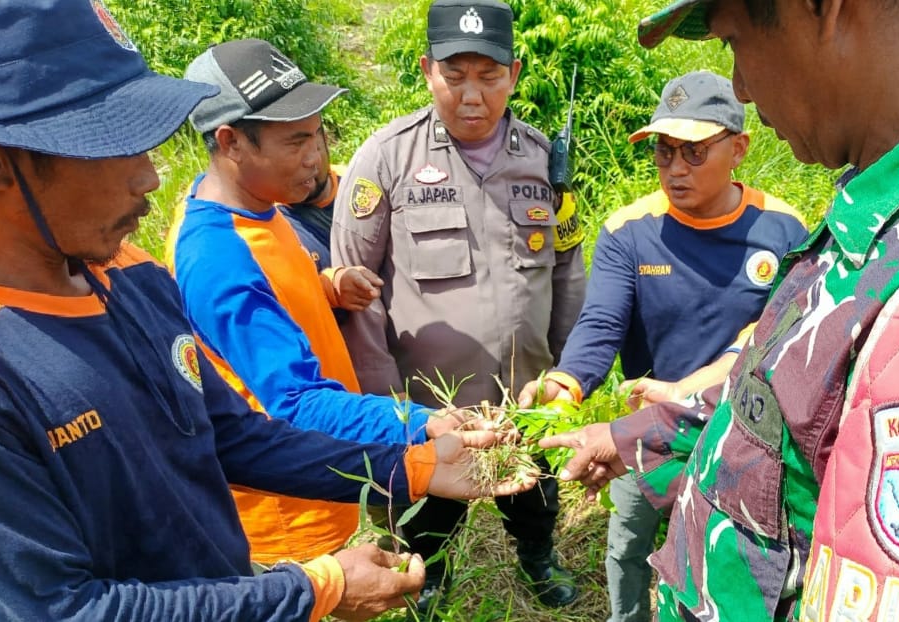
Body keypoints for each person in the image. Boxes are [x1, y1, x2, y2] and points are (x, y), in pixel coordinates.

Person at [0, 2, 536, 620]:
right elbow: (56, 610)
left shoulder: (127, 273)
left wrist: (412, 463)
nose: (149, 178)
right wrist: (313, 591)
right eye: (113, 143)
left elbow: (225, 433)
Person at [540, 1, 899, 621]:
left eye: (733, 39)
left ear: (822, 9)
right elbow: (788, 389)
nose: (739, 84)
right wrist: (627, 434)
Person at [168, 38, 472, 565]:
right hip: (285, 522)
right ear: (231, 141)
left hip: (322, 484)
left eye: (318, 134)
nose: (317, 156)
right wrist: (423, 423)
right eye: (296, 142)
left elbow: (275, 295)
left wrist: (328, 286)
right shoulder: (218, 258)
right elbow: (295, 401)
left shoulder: (259, 208)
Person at [517, 70, 807, 622]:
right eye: (663, 151)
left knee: (724, 553)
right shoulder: (631, 231)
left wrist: (688, 390)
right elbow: (601, 322)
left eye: (694, 152)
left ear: (739, 149)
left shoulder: (783, 230)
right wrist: (565, 382)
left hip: (738, 432)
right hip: (647, 429)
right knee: (628, 545)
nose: (676, 168)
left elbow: (774, 338)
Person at [332, 0, 587, 611]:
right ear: (427, 70)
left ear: (515, 74)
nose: (471, 95)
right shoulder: (385, 158)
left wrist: (567, 370)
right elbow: (354, 288)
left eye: (489, 75)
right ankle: (431, 576)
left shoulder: (544, 159)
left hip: (523, 395)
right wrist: (384, 401)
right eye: (455, 74)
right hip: (429, 407)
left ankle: (536, 556)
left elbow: (568, 268)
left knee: (534, 494)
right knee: (428, 510)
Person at [280, 127, 344, 272]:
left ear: (326, 142)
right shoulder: (270, 217)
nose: (307, 163)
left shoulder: (358, 183)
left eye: (314, 150)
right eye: (291, 155)